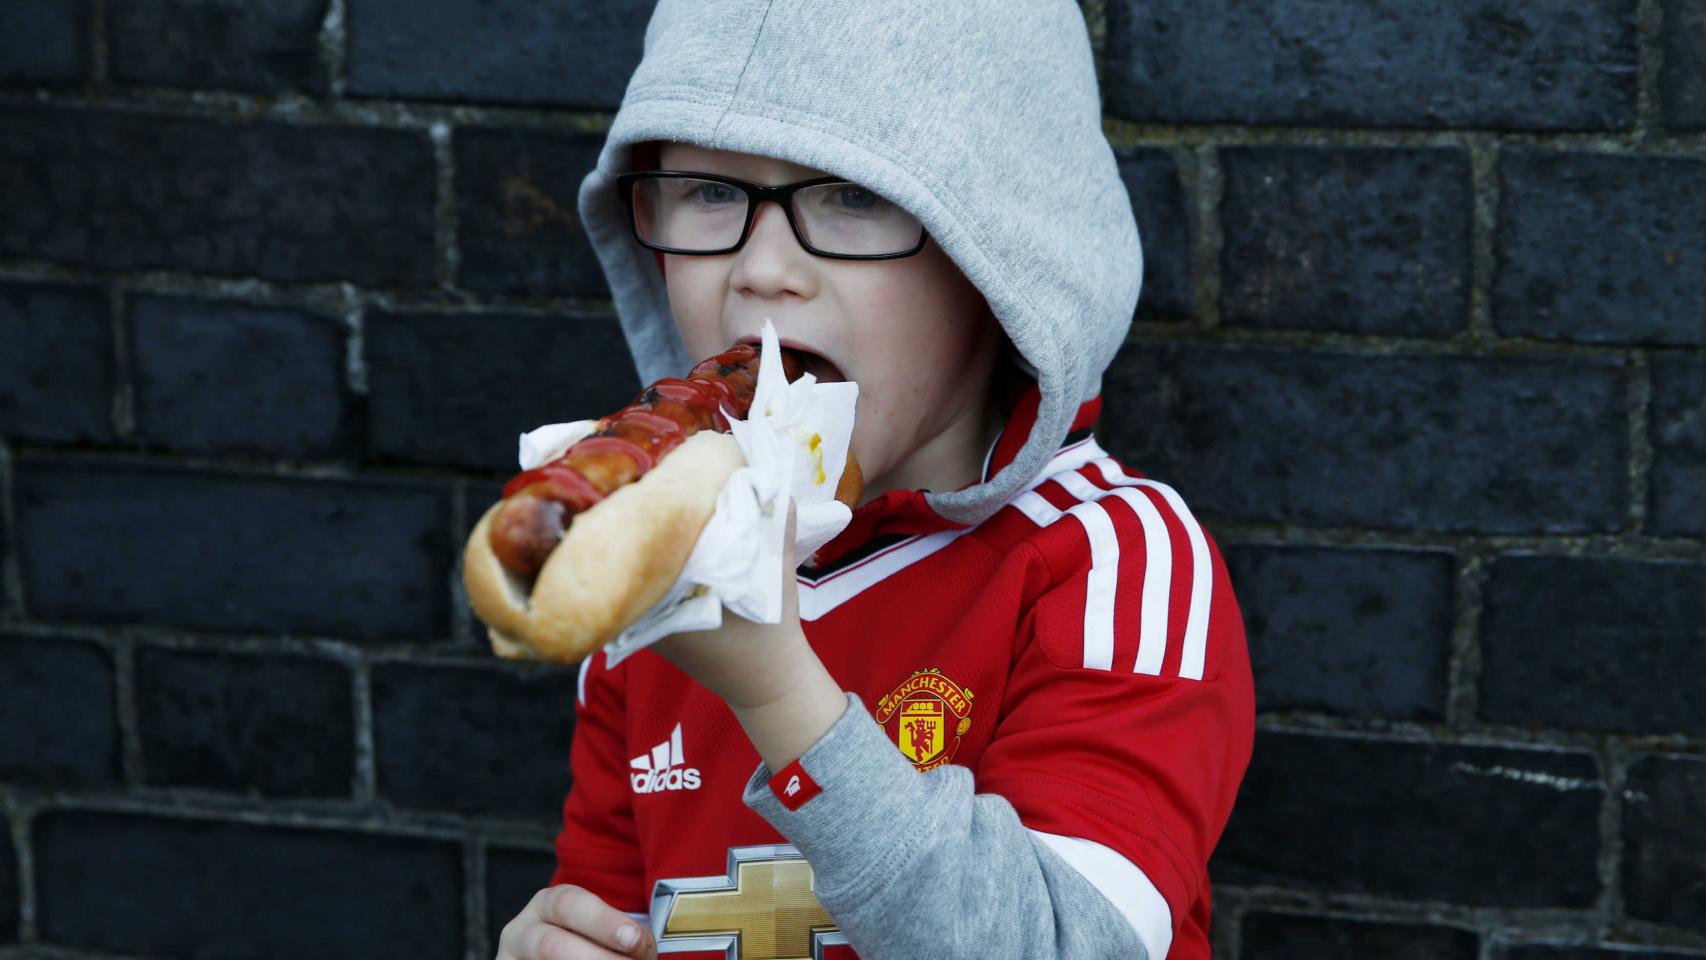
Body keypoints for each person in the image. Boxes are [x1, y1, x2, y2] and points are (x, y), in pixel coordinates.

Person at [495, 2, 1254, 958]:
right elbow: (613, 906)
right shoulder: (649, 588)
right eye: (708, 192)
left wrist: (775, 690)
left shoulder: (1112, 563)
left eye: (854, 195)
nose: (763, 269)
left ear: (1001, 252)